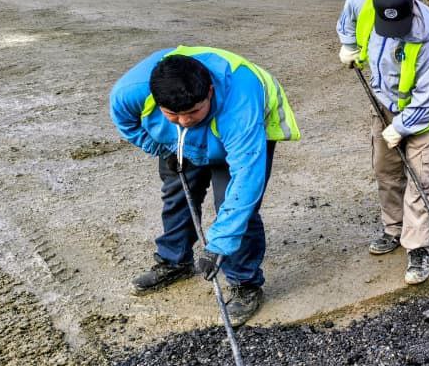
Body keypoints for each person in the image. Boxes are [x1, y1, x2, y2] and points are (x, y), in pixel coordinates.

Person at [110, 47, 299, 326]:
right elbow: (126, 122)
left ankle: (244, 283)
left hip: (236, 134)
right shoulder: (130, 91)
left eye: (192, 112)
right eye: (172, 114)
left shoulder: (241, 100)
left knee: (231, 205)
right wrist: (160, 148)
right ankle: (174, 260)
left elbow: (246, 179)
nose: (184, 120)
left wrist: (218, 244)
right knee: (177, 196)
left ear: (209, 91)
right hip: (177, 142)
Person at [336, 0, 429, 285]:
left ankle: (418, 248)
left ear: (411, 8)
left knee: (420, 177)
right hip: (383, 103)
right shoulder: (363, 3)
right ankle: (394, 229)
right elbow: (348, 17)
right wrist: (349, 46)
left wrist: (402, 126)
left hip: (421, 112)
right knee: (385, 169)